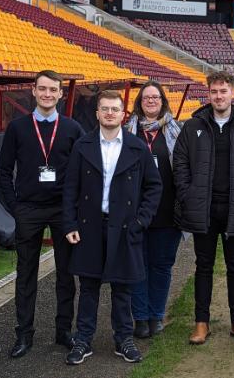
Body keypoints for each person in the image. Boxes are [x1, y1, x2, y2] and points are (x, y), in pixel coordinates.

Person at [63, 90, 162, 365]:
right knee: (89, 287)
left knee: (123, 288)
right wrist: (69, 223)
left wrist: (141, 221)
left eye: (114, 109)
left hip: (125, 227)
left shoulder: (137, 147)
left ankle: (123, 339)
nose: (109, 113)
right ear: (97, 113)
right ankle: (83, 339)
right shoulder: (82, 145)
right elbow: (70, 188)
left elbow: (154, 187)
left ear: (123, 114)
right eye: (104, 109)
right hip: (89, 227)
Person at [173, 71, 234, 345]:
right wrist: (188, 194)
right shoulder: (193, 127)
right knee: (203, 266)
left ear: (232, 94)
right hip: (203, 208)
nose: (219, 96)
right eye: (214, 91)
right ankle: (201, 323)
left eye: (223, 91)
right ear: (209, 94)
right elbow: (179, 162)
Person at [0, 70, 84, 358]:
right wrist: (15, 207)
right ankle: (23, 334)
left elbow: (83, 171)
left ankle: (64, 331)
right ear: (33, 91)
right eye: (43, 89)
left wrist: (75, 209)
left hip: (62, 210)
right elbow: (3, 170)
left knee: (66, 274)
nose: (48, 94)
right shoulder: (18, 127)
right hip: (29, 210)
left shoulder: (72, 128)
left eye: (53, 90)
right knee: (26, 275)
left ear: (61, 94)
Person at [124, 81, 182, 338]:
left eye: (155, 97)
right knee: (137, 267)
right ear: (139, 101)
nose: (150, 101)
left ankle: (157, 315)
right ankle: (140, 318)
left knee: (161, 266)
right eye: (146, 97)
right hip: (135, 213)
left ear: (162, 101)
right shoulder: (127, 131)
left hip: (167, 212)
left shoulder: (175, 130)